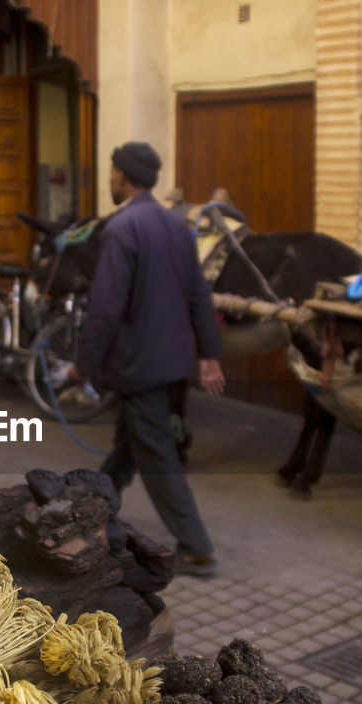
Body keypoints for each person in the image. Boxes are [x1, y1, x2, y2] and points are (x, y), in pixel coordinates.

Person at [70, 142, 227, 578]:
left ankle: (198, 548)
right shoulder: (178, 227)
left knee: (156, 453)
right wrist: (210, 355)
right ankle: (93, 509)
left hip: (140, 366)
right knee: (130, 443)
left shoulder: (122, 229)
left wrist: (83, 362)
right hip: (172, 363)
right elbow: (200, 296)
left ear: (121, 175)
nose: (109, 179)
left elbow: (105, 306)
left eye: (111, 172)